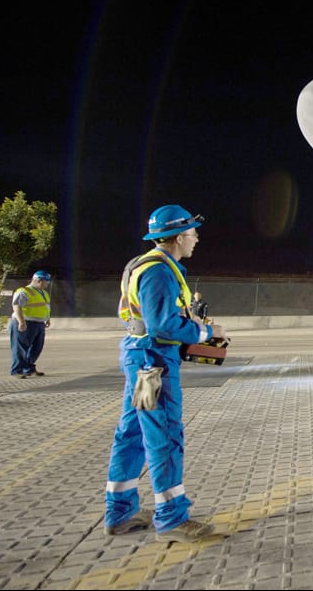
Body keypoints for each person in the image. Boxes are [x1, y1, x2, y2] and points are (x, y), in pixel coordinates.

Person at [103, 205, 226, 544]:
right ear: (175, 237)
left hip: (141, 357)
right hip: (153, 362)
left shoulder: (141, 265)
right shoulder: (159, 272)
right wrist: (204, 332)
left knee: (130, 433)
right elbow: (161, 324)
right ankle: (172, 518)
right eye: (191, 233)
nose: (196, 239)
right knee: (165, 435)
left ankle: (120, 512)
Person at [9, 270, 52, 378]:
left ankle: (28, 369)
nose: (48, 284)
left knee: (36, 348)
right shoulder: (24, 291)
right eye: (46, 282)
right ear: (39, 280)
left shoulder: (43, 293)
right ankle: (17, 370)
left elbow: (45, 307)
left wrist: (47, 319)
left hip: (39, 324)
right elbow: (17, 307)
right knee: (20, 348)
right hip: (25, 322)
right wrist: (21, 322)